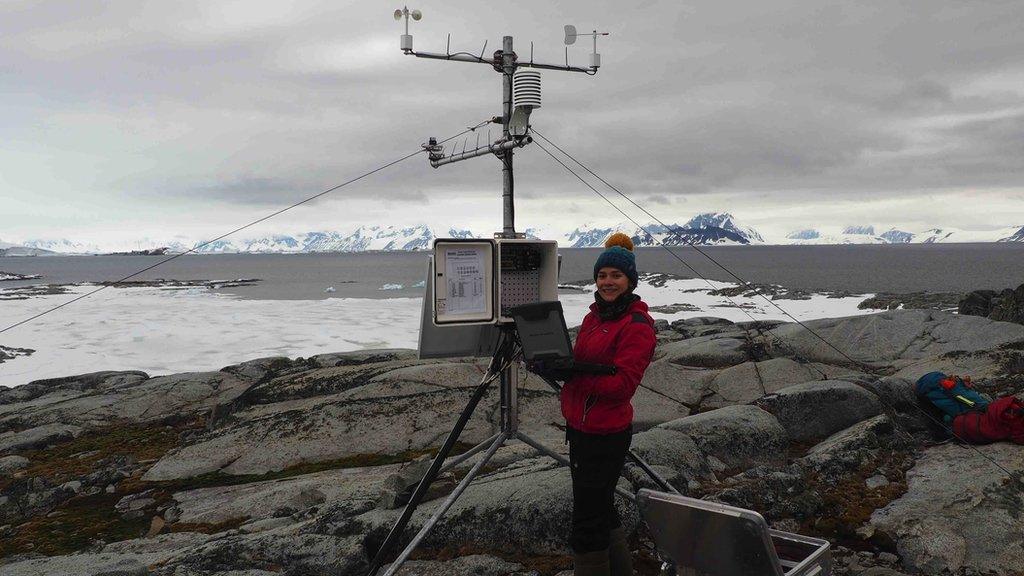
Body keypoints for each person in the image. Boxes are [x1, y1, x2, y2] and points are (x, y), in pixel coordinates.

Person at [562, 233, 657, 576]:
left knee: (586, 524)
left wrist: (574, 375)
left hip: (605, 435)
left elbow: (622, 386)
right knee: (601, 508)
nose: (607, 282)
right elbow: (582, 363)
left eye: (616, 276)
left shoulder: (636, 326)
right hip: (580, 428)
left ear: (630, 280)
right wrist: (555, 364)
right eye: (602, 275)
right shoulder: (593, 318)